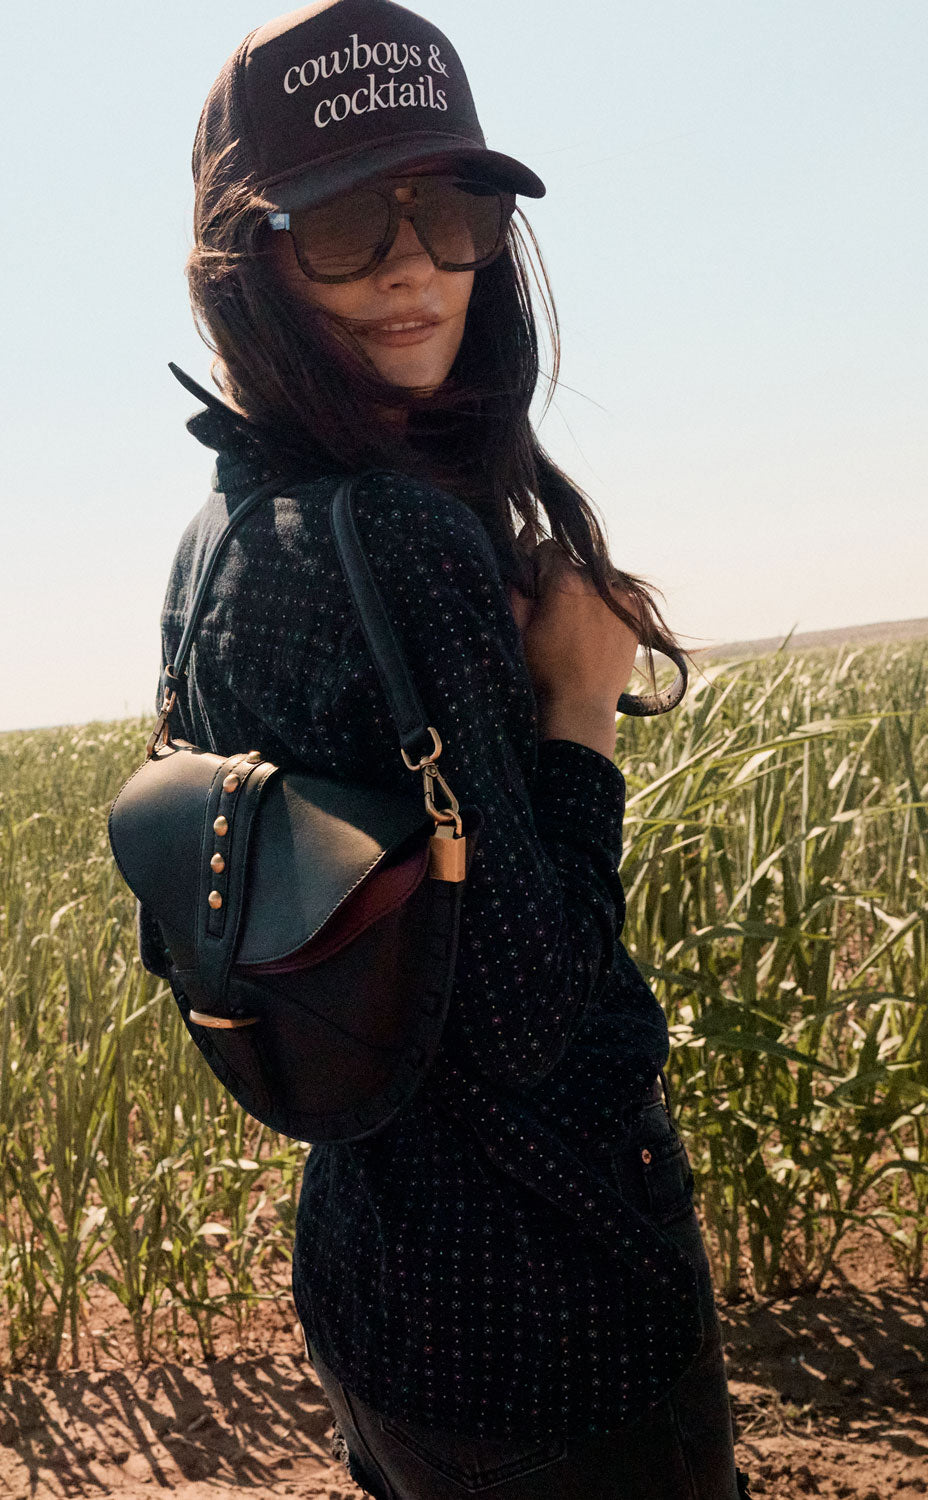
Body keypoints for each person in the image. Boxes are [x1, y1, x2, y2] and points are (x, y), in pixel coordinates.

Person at [154, 1, 752, 1494]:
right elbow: (541, 1022)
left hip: (376, 1287)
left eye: (456, 210)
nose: (413, 263)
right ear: (252, 262)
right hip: (555, 1324)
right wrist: (580, 708)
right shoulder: (405, 542)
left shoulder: (221, 532)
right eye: (345, 222)